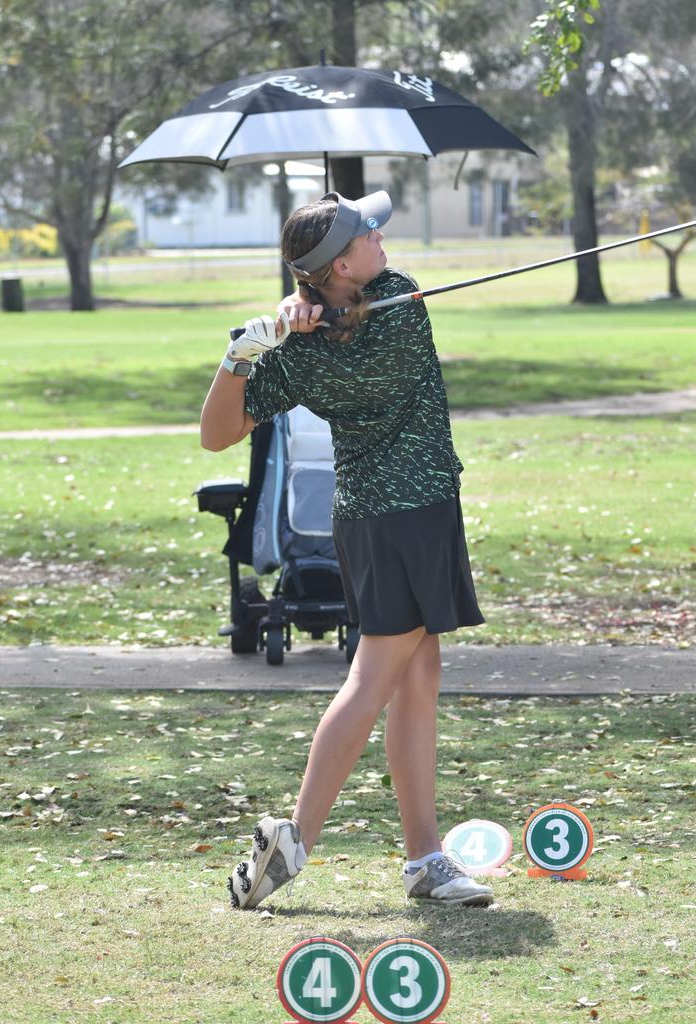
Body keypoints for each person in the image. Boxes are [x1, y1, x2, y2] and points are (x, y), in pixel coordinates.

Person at [200, 189, 492, 910]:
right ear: (338, 265)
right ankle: (292, 840)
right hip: (405, 519)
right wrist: (249, 348)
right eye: (366, 231)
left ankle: (425, 858)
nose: (380, 234)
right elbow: (216, 435)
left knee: (418, 677)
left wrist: (279, 335)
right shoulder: (352, 315)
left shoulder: (388, 302)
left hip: (384, 516)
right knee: (373, 681)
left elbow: (222, 427)